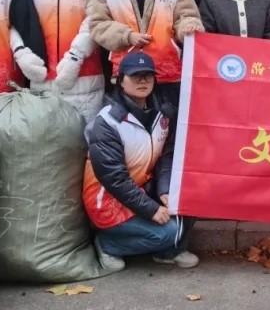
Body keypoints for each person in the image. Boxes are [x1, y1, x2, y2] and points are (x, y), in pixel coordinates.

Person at [84, 52, 197, 271]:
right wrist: (151, 209)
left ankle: (168, 252)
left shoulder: (162, 113)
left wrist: (164, 189)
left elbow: (166, 156)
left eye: (148, 75)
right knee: (168, 232)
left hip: (143, 188)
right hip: (108, 200)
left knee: (188, 196)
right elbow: (114, 179)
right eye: (135, 76)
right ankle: (108, 244)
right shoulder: (107, 122)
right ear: (120, 80)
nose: (143, 81)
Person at [13, 0, 106, 122]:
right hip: (42, 74)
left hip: (85, 77)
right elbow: (17, 21)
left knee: (83, 135)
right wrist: (23, 55)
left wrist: (75, 57)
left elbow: (95, 19)